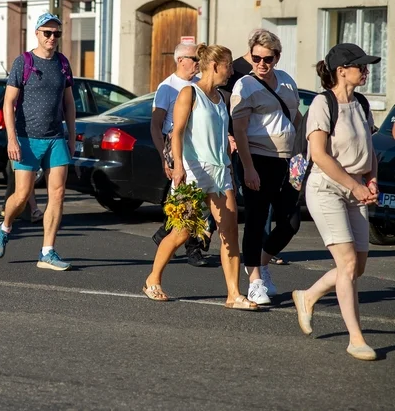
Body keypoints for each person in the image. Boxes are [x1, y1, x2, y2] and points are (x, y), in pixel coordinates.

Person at [142, 44, 257, 311]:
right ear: (215, 66)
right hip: (193, 172)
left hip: (220, 172)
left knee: (230, 232)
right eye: (228, 65)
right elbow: (178, 132)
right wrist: (178, 166)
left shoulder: (220, 98)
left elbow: (217, 136)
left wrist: (229, 166)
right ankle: (152, 280)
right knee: (181, 232)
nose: (231, 71)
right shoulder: (188, 93)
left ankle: (233, 294)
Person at [292, 44, 381, 361]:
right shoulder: (322, 103)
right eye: (361, 66)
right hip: (327, 188)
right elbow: (319, 155)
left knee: (357, 266)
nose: (366, 71)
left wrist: (371, 179)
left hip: (354, 187)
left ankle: (308, 295)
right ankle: (356, 338)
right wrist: (353, 186)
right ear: (342, 71)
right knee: (346, 265)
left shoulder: (361, 103)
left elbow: (368, 148)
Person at [0, 12, 76, 271]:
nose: (52, 38)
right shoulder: (23, 62)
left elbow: (69, 103)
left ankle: (47, 252)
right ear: (37, 33)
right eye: (47, 33)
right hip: (26, 138)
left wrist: (71, 136)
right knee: (23, 194)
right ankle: (5, 227)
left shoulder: (62, 63)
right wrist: (11, 139)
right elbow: (8, 102)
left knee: (57, 194)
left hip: (55, 138)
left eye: (56, 33)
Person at [231, 29, 302, 305]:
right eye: (256, 57)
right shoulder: (245, 86)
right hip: (257, 159)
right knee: (257, 219)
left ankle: (260, 262)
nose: (261, 64)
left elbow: (296, 118)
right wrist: (248, 168)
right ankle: (255, 280)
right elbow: (239, 129)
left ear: (277, 57)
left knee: (290, 222)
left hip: (289, 161)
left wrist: (302, 155)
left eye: (267, 59)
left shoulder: (286, 81)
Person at [149, 41, 210, 267]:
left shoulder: (198, 85)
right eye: (195, 59)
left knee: (195, 197)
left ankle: (164, 232)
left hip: (197, 145)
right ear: (180, 60)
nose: (198, 64)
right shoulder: (168, 87)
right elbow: (156, 125)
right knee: (187, 196)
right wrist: (164, 158)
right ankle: (193, 249)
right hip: (175, 143)